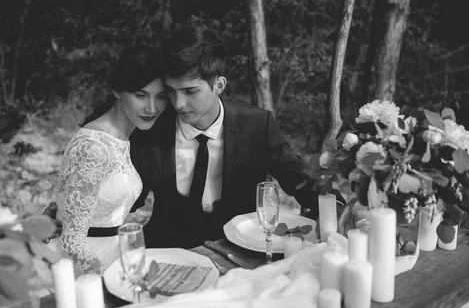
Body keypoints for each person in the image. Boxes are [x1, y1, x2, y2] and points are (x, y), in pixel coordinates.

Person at [130, 23, 325, 249]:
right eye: (171, 91)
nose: (178, 103)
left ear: (219, 85)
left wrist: (335, 206)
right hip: (168, 252)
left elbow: (300, 179)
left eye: (190, 91)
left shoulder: (257, 126)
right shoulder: (151, 130)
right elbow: (128, 199)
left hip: (240, 251)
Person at [55, 44, 167, 275]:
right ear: (117, 90)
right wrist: (101, 279)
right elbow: (72, 239)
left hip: (116, 257)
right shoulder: (94, 148)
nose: (152, 107)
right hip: (84, 267)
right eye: (141, 95)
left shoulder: (128, 136)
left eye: (161, 97)